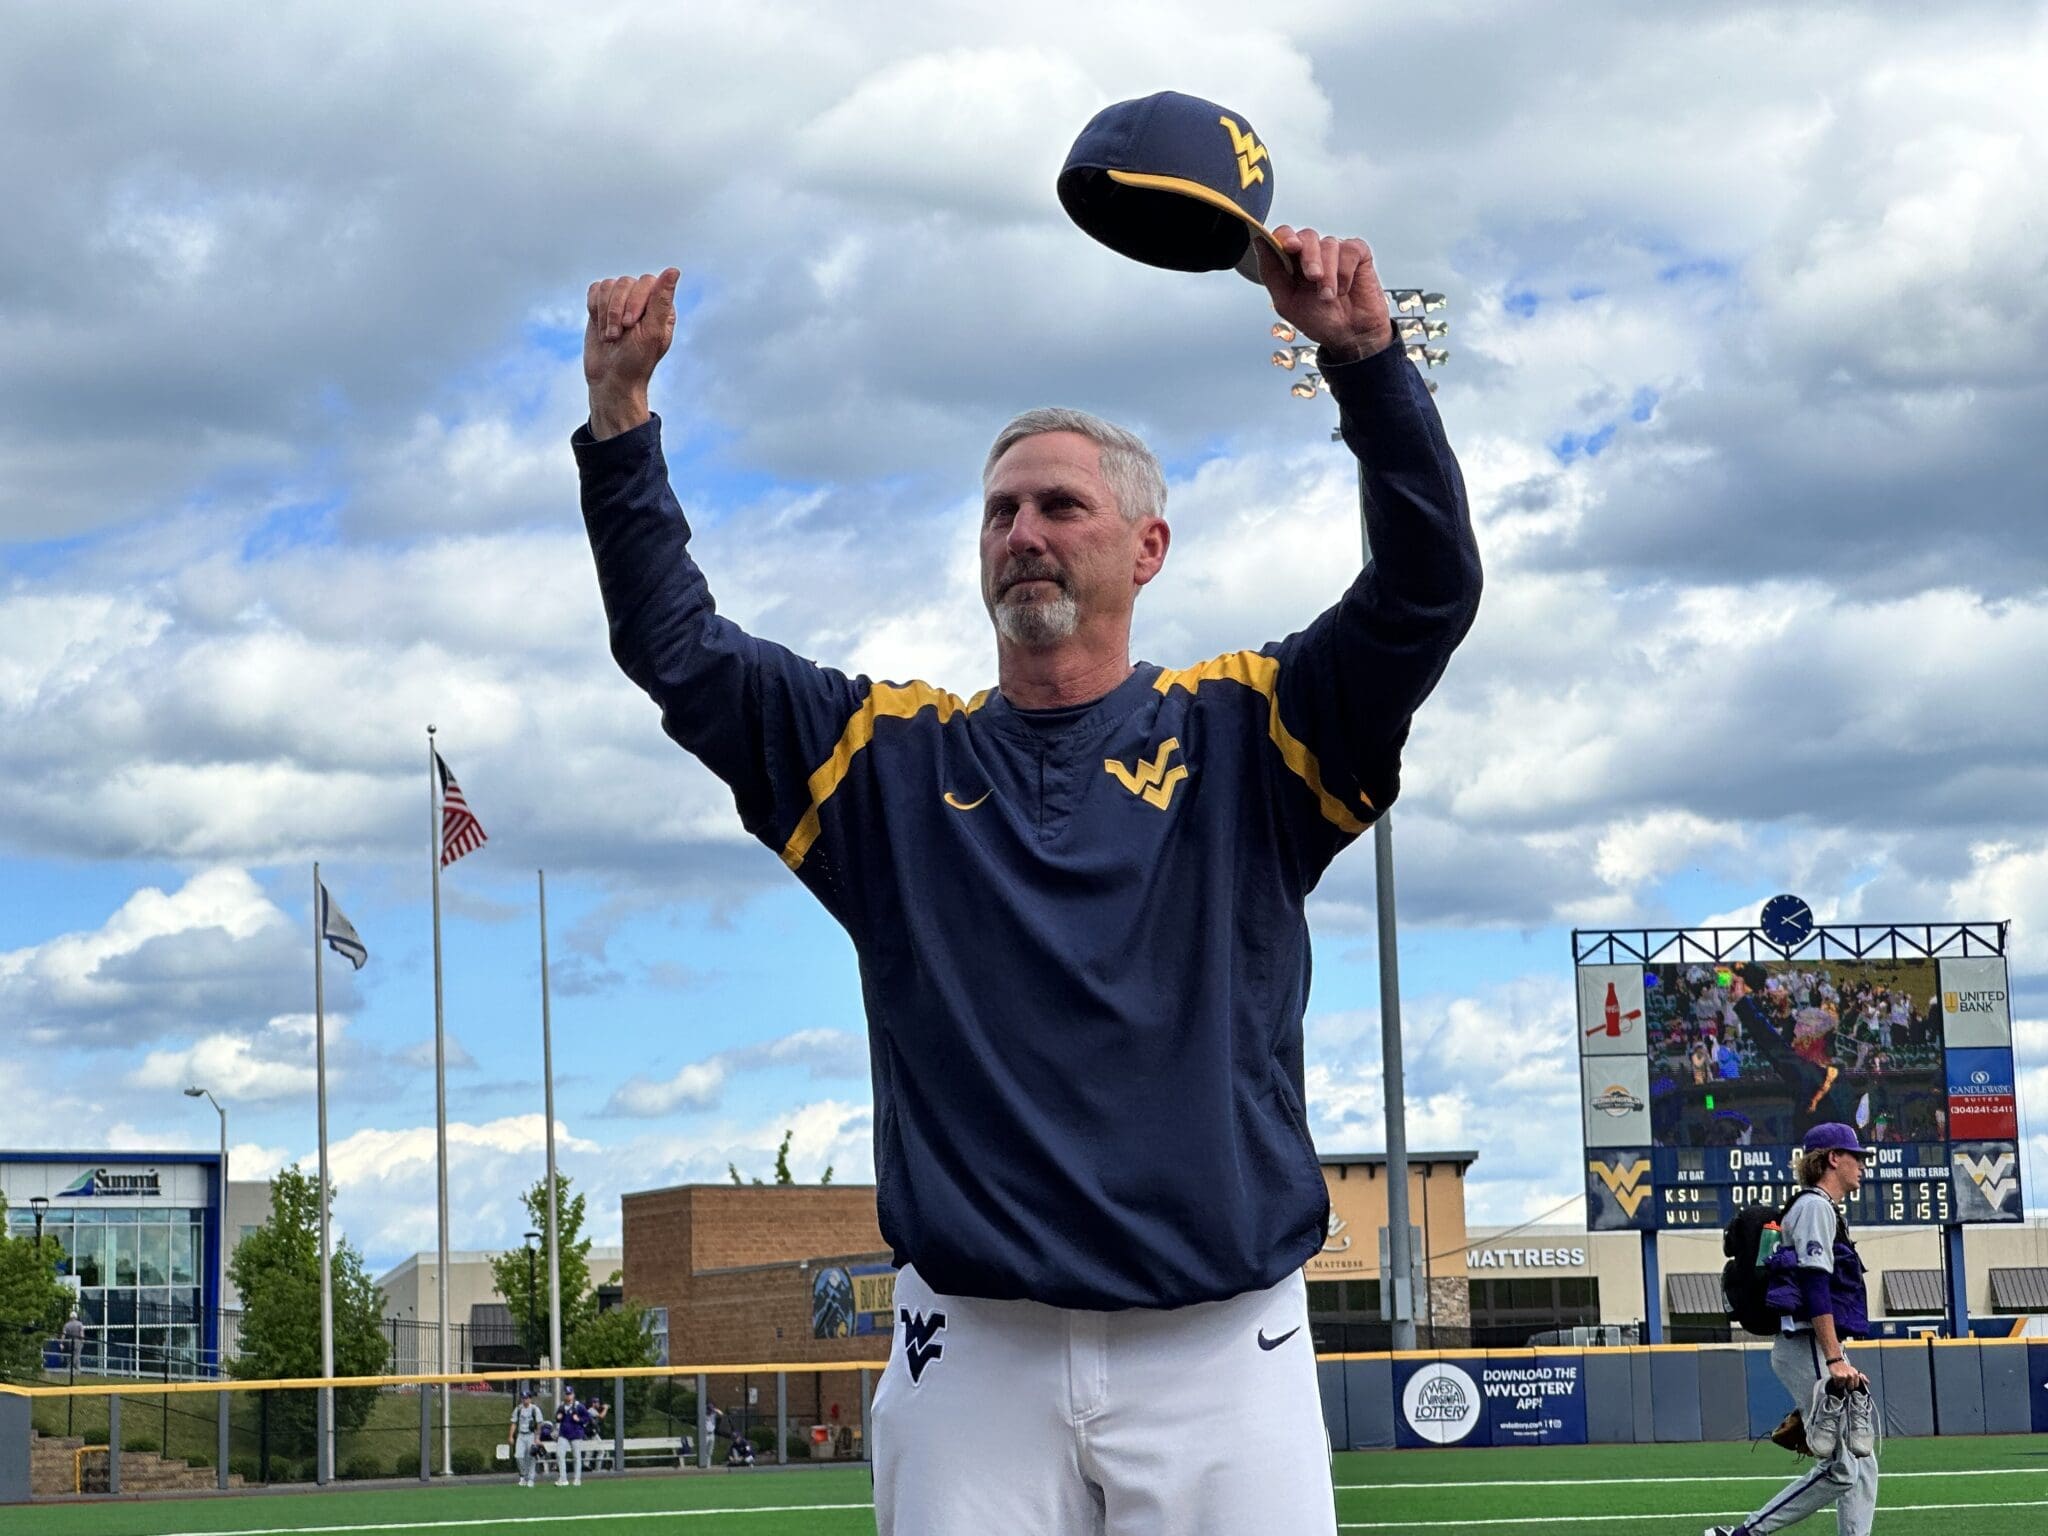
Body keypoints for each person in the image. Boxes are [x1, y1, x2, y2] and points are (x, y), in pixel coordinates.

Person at [575, 215, 1479, 1534]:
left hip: (1223, 1352)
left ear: (1146, 548)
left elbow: (1425, 594)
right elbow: (678, 649)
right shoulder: (883, 764)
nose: (1024, 532)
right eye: (1001, 511)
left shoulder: (1251, 731)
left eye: (1062, 505)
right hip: (972, 1358)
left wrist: (1368, 364)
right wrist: (620, 415)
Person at [1706, 1122, 1878, 1536]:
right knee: (1841, 1468)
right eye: (1855, 1156)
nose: (1862, 1165)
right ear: (1833, 1158)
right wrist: (1835, 1358)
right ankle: (1745, 1533)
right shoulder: (1816, 1206)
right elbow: (1815, 1284)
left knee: (1862, 1459)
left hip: (1811, 1344)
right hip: (1810, 1343)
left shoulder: (1817, 1207)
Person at [553, 1385, 592, 1487]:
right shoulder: (562, 1406)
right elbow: (557, 1418)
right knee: (560, 1454)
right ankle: (563, 1478)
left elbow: (587, 1418)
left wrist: (579, 1419)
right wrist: (558, 1418)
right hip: (564, 1434)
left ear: (573, 1395)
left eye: (570, 1394)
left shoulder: (579, 1406)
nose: (568, 1396)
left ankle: (577, 1479)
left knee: (576, 1456)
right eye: (567, 1394)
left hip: (576, 1434)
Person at [509, 1389, 545, 1488]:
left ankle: (530, 1479)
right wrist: (511, 1436)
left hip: (531, 1435)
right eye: (523, 1398)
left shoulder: (534, 1409)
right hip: (521, 1435)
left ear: (530, 1399)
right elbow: (514, 1423)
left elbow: (539, 1424)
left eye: (527, 1398)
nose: (525, 1400)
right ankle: (523, 1476)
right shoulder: (518, 1409)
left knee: (531, 1457)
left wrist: (537, 1437)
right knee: (518, 1456)